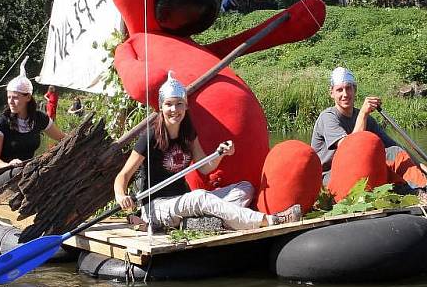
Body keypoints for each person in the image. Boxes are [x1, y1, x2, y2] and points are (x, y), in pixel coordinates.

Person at [114, 71, 302, 232]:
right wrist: (121, 196)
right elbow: (123, 175)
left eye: (179, 104)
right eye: (169, 104)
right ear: (161, 107)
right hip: (156, 206)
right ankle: (270, 221)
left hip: (182, 201)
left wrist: (221, 154)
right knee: (199, 196)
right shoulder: (150, 137)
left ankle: (197, 223)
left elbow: (205, 168)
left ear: (186, 106)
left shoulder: (188, 133)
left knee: (245, 189)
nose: (174, 109)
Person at [311, 66, 427, 205]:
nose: (345, 94)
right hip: (331, 179)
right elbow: (350, 150)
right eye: (339, 90)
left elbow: (397, 150)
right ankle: (412, 193)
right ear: (331, 93)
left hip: (360, 175)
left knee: (393, 151)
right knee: (375, 159)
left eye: (349, 88)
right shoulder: (328, 117)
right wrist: (364, 114)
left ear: (355, 90)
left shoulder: (366, 119)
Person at [0, 59, 64, 169]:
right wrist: (8, 165)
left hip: (26, 172)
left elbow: (62, 138)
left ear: (28, 97)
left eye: (15, 98)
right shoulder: (2, 122)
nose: (10, 101)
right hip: (2, 173)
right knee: (17, 171)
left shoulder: (40, 118)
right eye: (9, 97)